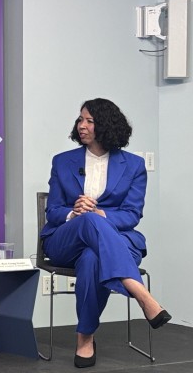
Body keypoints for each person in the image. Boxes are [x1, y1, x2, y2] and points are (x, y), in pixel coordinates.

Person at [40, 98, 171, 368]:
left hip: (114, 241)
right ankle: (139, 291)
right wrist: (74, 212)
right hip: (65, 240)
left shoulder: (133, 165)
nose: (82, 125)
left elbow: (132, 215)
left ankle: (85, 337)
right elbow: (52, 211)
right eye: (80, 119)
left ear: (107, 126)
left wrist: (101, 215)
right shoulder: (62, 161)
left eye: (89, 121)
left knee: (92, 258)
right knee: (87, 220)